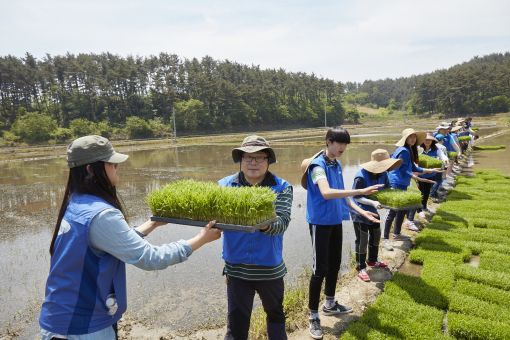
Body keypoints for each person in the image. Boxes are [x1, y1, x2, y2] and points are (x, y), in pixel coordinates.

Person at [39, 135, 221, 340]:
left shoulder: (77, 204)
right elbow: (150, 258)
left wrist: (151, 224)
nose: (117, 168)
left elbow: (112, 242)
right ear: (91, 169)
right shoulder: (101, 214)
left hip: (59, 320)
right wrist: (202, 238)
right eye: (111, 164)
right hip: (82, 327)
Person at [300, 127, 382, 340]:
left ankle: (329, 303)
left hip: (336, 220)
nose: (343, 147)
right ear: (328, 141)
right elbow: (327, 193)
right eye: (339, 143)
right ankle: (314, 316)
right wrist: (360, 191)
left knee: (335, 264)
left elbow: (343, 196)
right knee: (320, 269)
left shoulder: (335, 164)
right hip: (320, 223)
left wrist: (362, 210)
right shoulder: (317, 166)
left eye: (345, 144)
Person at [218, 135, 293, 340]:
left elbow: (282, 223)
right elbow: (215, 223)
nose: (253, 162)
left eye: (259, 157)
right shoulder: (224, 186)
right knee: (236, 323)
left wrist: (263, 222)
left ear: (268, 161)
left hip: (270, 269)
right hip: (236, 270)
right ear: (240, 160)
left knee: (276, 316)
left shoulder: (282, 187)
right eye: (248, 157)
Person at [383, 129, 442, 251]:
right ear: (405, 138)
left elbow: (413, 166)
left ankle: (396, 234)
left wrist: (429, 170)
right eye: (410, 137)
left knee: (402, 209)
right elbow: (402, 169)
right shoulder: (404, 151)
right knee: (393, 211)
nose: (413, 139)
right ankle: (385, 239)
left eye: (414, 137)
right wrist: (418, 176)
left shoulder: (408, 149)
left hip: (402, 182)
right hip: (396, 182)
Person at [351, 149, 402, 282]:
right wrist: (373, 202)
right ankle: (360, 267)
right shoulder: (360, 176)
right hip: (360, 212)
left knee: (376, 235)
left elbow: (387, 189)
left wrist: (396, 196)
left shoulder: (383, 174)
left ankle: (372, 260)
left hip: (374, 210)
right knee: (362, 240)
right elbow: (356, 197)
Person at [417, 133, 448, 218]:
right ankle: (418, 208)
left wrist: (445, 160)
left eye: (429, 140)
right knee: (420, 191)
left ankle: (424, 206)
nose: (427, 141)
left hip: (431, 174)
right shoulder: (419, 149)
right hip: (419, 174)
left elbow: (443, 156)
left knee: (426, 191)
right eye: (426, 140)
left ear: (432, 141)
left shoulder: (436, 149)